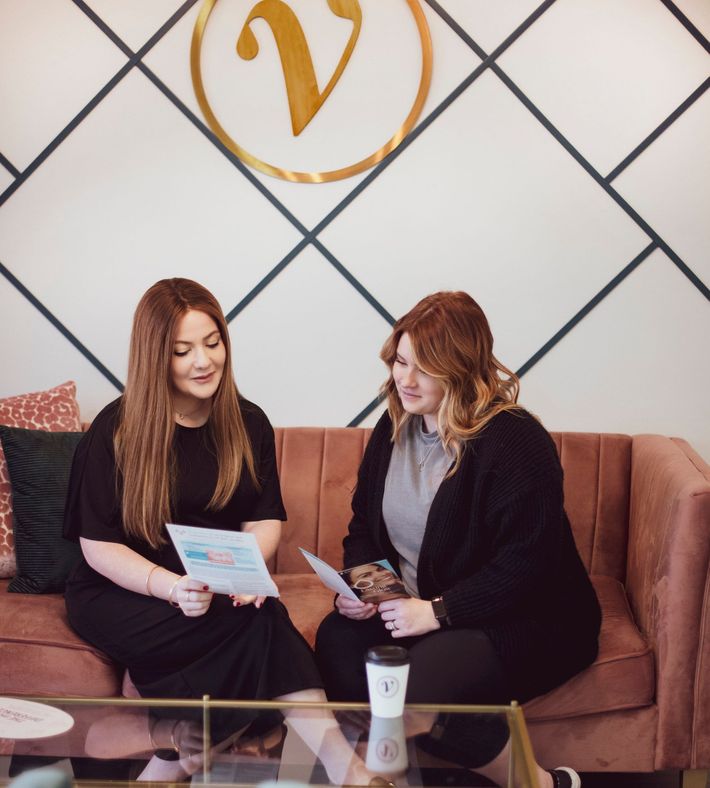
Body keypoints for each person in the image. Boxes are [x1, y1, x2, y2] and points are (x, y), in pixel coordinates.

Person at [63, 278, 372, 786]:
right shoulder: (115, 430)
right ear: (155, 356)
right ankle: (342, 768)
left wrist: (248, 573)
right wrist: (171, 587)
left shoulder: (247, 422)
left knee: (260, 608)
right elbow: (97, 545)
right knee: (264, 620)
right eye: (183, 350)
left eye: (213, 342)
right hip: (123, 591)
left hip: (212, 585)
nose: (204, 361)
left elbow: (265, 516)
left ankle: (180, 752)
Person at [315, 291, 601, 788]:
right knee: (338, 646)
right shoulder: (394, 423)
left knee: (412, 691)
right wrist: (368, 589)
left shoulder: (515, 440)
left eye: (423, 369)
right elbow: (363, 524)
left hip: (523, 615)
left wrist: (436, 612)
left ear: (460, 370)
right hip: (414, 608)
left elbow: (524, 567)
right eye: (401, 361)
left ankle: (539, 783)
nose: (405, 379)